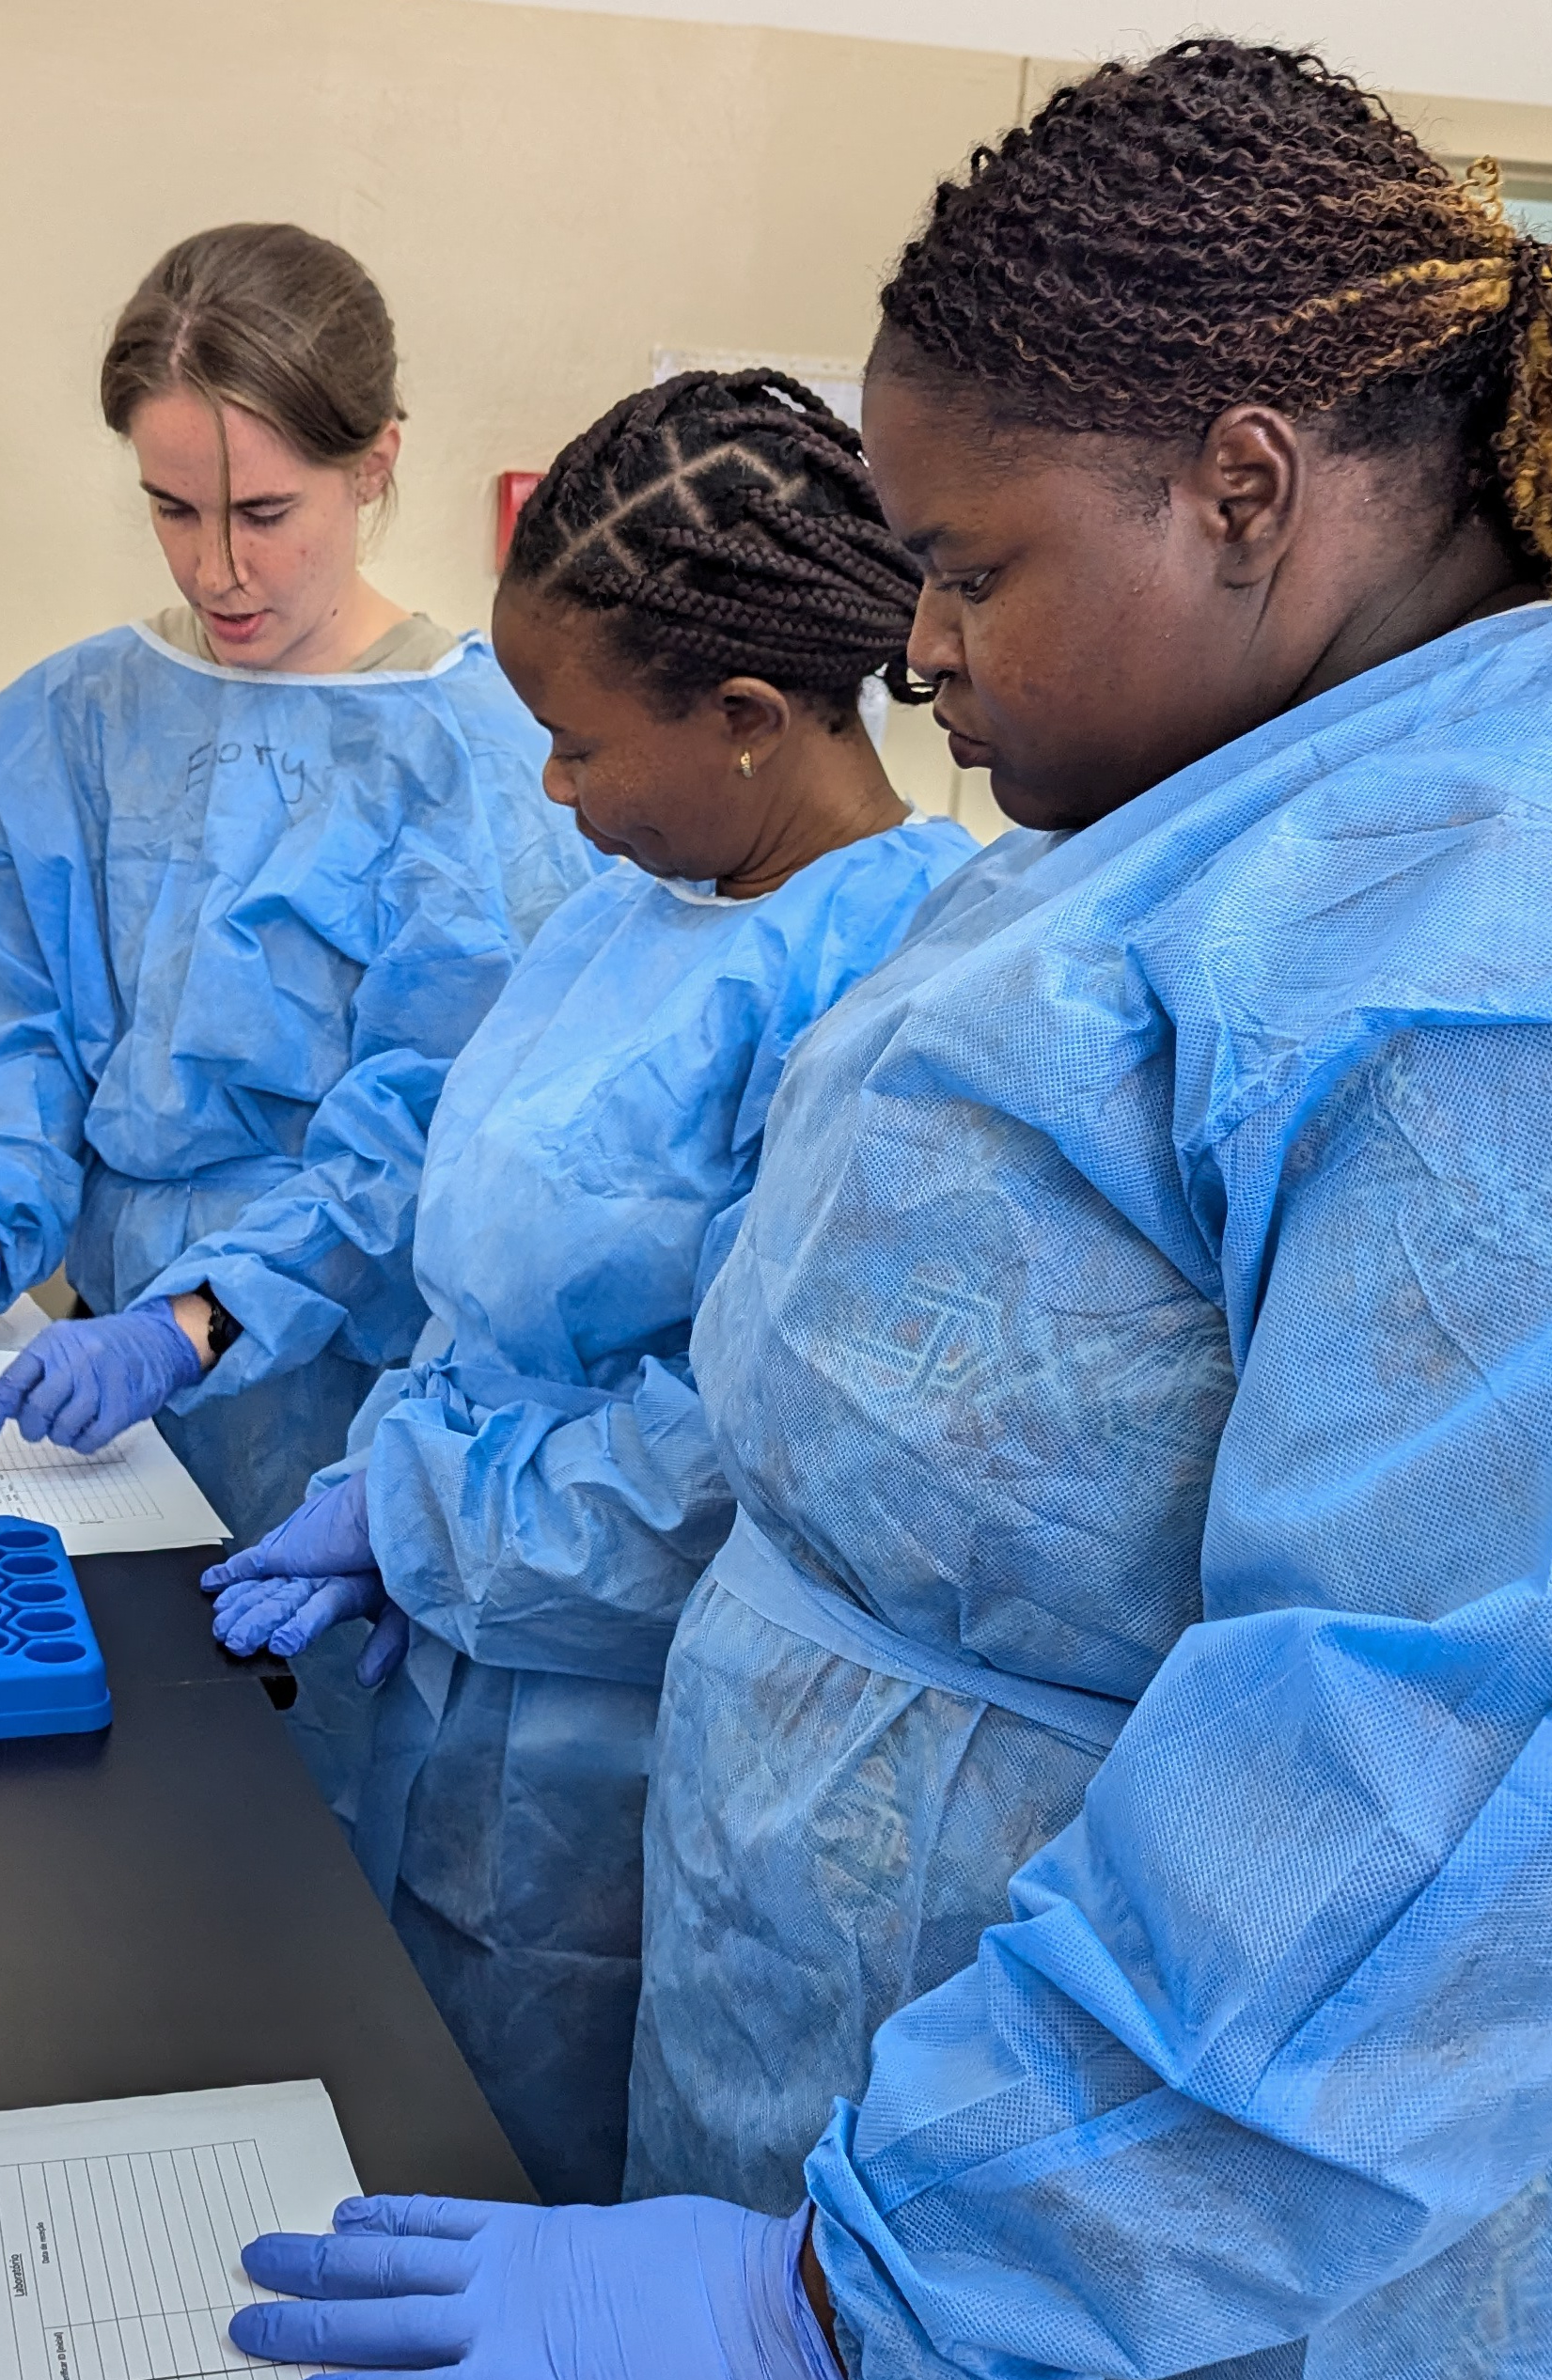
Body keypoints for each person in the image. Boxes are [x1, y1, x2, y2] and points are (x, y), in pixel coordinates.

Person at [217, 44, 1552, 2380]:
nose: (915, 646)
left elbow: (1494, 1733)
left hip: (1253, 2338)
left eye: (968, 565)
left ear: (1247, 484)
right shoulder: (1222, 799)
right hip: (944, 2208)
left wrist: (854, 2283)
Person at [203, 371, 975, 2202]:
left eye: (574, 740)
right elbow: (479, 1285)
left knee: (557, 2259)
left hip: (631, 1803)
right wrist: (383, 1470)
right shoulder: (629, 913)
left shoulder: (896, 999)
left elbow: (745, 1472)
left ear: (746, 720)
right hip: (466, 1718)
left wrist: (417, 1510)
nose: (545, 786)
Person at [0, 224, 591, 1555]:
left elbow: (435, 1136)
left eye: (263, 514)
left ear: (374, 465)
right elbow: (4, 1018)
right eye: (171, 508)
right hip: (100, 1391)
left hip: (350, 1406)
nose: (215, 570)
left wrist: (204, 1317)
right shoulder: (64, 726)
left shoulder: (480, 758)